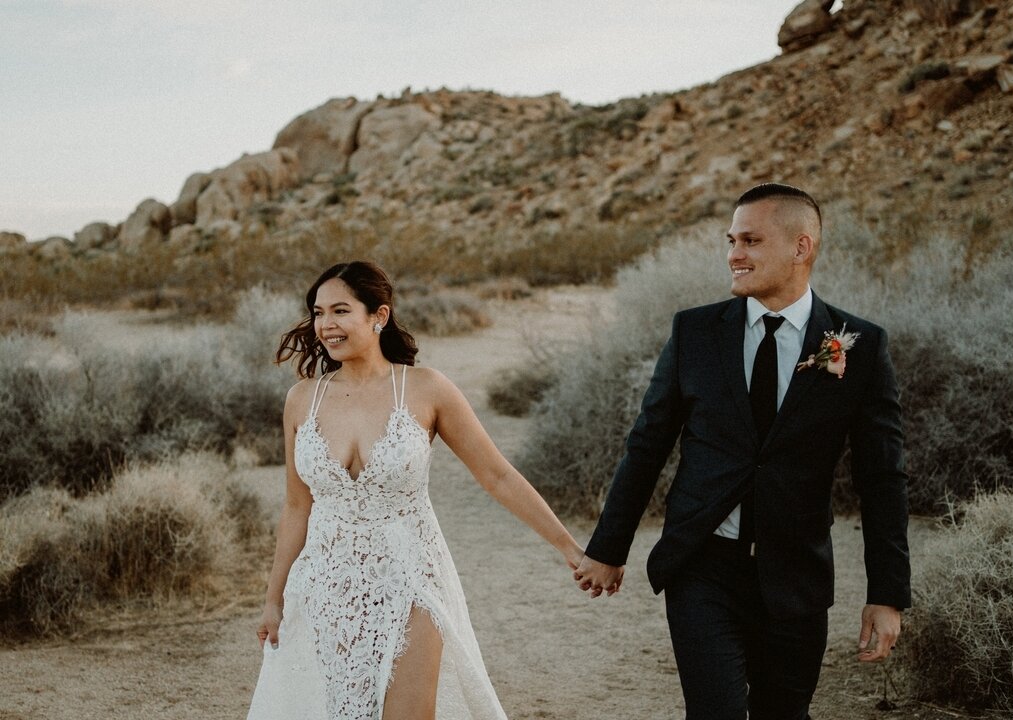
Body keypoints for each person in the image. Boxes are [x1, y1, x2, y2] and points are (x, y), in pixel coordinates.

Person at [573, 183, 911, 719]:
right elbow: (648, 444)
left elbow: (883, 478)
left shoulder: (858, 347)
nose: (734, 254)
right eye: (731, 240)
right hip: (703, 567)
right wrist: (609, 548)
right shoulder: (695, 333)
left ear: (801, 248)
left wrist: (886, 594)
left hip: (796, 574)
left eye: (750, 240)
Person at [246, 261, 583, 720]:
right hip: (326, 580)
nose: (326, 325)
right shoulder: (303, 399)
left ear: (378, 316)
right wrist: (273, 598)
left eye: (341, 311)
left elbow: (497, 475)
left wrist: (569, 547)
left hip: (412, 574)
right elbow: (295, 507)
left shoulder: (426, 389)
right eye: (319, 312)